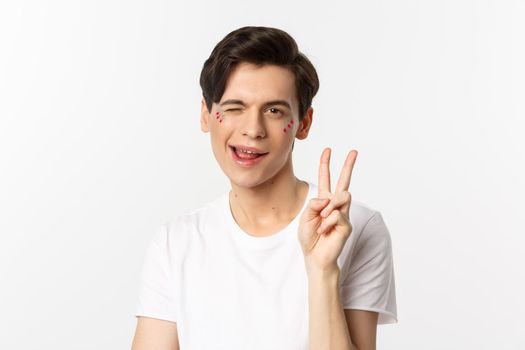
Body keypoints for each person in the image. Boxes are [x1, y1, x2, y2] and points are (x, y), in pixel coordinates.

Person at [131, 26, 397, 350]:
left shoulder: (354, 226)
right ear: (206, 115)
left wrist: (322, 270)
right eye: (234, 108)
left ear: (303, 123)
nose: (252, 129)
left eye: (274, 111)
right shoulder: (176, 242)